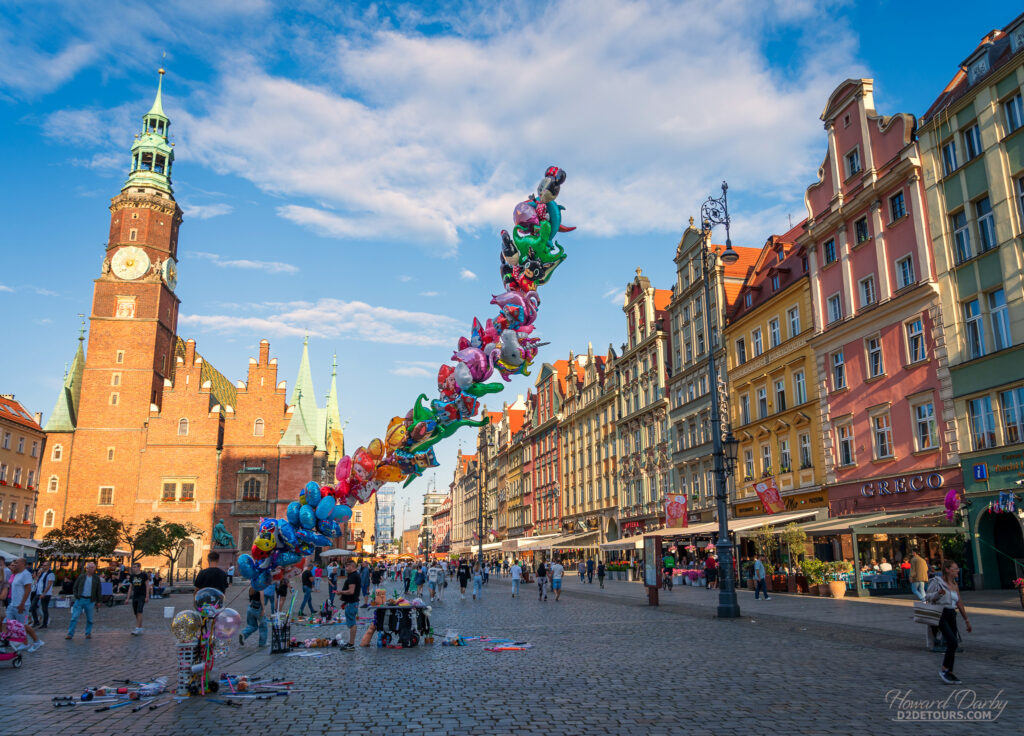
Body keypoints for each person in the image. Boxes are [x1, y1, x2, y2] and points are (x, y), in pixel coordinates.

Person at [927, 559, 972, 684]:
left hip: (952, 614)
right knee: (952, 641)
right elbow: (928, 596)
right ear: (947, 570)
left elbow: (959, 602)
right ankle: (945, 669)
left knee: (953, 643)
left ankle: (949, 671)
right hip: (941, 613)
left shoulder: (954, 585)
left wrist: (967, 620)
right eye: (955, 569)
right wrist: (938, 594)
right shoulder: (937, 582)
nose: (957, 571)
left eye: (957, 569)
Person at [5, 558, 43, 652]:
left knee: (23, 625)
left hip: (22, 605)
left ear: (22, 564)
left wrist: (22, 604)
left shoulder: (26, 574)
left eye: (16, 562)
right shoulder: (17, 574)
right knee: (7, 622)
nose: (14, 564)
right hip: (13, 604)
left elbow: (28, 589)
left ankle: (37, 641)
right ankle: (23, 643)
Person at [66, 561, 101, 640]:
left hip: (90, 600)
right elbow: (75, 587)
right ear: (87, 568)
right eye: (91, 567)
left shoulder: (96, 578)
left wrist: (98, 601)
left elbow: (98, 590)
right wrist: (76, 596)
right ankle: (70, 634)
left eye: (93, 568)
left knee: (90, 619)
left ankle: (88, 633)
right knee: (74, 617)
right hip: (80, 599)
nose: (92, 569)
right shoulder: (81, 577)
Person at [338, 559, 361, 651]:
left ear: (352, 566)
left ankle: (351, 644)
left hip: (352, 603)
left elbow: (351, 591)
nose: (345, 568)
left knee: (352, 624)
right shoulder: (355, 575)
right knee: (351, 623)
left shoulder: (352, 576)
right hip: (351, 602)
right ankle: (350, 643)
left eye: (347, 566)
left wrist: (341, 592)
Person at [127, 562, 151, 635]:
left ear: (139, 567)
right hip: (135, 595)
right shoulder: (132, 576)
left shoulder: (144, 575)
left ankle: (137, 628)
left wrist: (147, 596)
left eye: (135, 567)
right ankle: (140, 627)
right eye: (133, 567)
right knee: (136, 613)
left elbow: (147, 586)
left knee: (139, 611)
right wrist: (127, 598)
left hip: (142, 595)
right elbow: (130, 587)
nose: (133, 568)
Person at [31, 560, 54, 629]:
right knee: (32, 607)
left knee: (44, 609)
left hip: (46, 594)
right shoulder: (42, 573)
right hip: (38, 593)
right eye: (43, 565)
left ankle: (44, 624)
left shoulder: (50, 574)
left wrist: (44, 593)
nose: (44, 566)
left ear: (49, 566)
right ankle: (36, 621)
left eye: (45, 565)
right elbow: (37, 581)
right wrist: (37, 574)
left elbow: (49, 584)